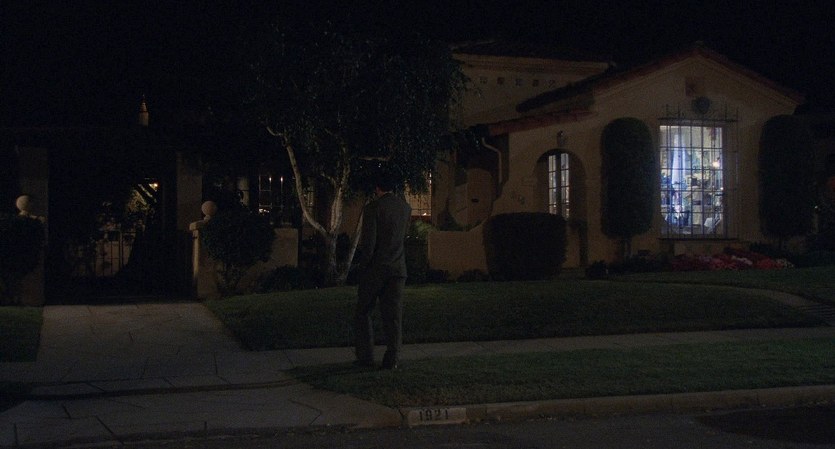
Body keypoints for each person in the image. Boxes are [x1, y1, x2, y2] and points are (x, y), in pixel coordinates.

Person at [353, 170, 412, 370]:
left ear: (377, 188)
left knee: (363, 311)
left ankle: (365, 356)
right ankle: (392, 358)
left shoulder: (373, 208)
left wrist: (363, 267)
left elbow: (369, 243)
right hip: (398, 268)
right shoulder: (405, 208)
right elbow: (402, 237)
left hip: (376, 268)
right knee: (394, 316)